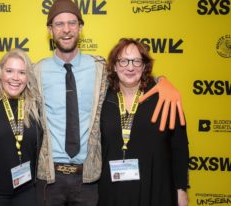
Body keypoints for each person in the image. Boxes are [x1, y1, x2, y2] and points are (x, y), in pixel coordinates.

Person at [33, 0, 186, 205]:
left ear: (80, 27)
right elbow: (10, 84)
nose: (66, 29)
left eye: (72, 23)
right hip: (50, 178)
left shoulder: (100, 69)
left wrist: (163, 81)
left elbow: (131, 73)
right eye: (59, 24)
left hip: (88, 178)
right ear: (50, 30)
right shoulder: (36, 72)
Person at [98, 38, 189, 206]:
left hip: (155, 190)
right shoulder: (103, 100)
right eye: (124, 61)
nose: (130, 67)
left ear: (144, 66)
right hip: (113, 191)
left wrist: (181, 190)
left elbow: (179, 147)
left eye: (136, 61)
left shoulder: (164, 98)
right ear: (115, 66)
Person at [0, 48, 43, 206]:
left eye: (22, 72)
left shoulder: (35, 105)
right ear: (0, 72)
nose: (15, 78)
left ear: (28, 77)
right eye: (9, 71)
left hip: (26, 192)